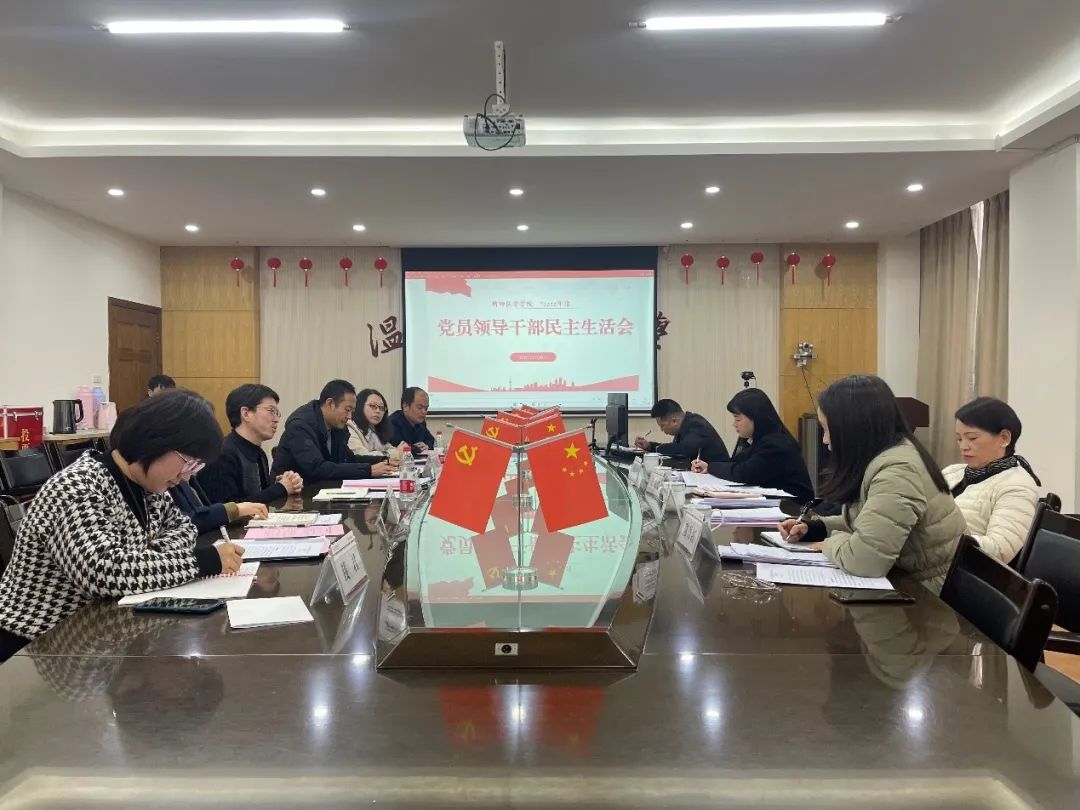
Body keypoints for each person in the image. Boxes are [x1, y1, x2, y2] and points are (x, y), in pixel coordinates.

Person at [0, 390, 245, 662]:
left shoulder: (147, 486)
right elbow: (104, 572)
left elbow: (184, 529)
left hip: (99, 632)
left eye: (196, 467)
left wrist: (140, 561)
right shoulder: (78, 487)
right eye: (188, 462)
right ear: (156, 442)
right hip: (37, 645)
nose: (187, 477)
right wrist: (203, 562)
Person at [778, 375, 965, 594]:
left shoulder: (897, 472)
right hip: (909, 582)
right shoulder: (888, 456)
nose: (825, 440)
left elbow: (864, 561)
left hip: (931, 597)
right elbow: (872, 521)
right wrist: (818, 528)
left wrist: (830, 542)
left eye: (827, 429)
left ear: (853, 429)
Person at [942, 397, 1041, 564]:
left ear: (1004, 438)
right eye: (959, 438)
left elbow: (999, 550)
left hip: (961, 571)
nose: (963, 446)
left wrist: (936, 541)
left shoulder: (1017, 486)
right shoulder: (952, 472)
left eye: (972, 438)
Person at [690, 388, 814, 500]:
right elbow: (736, 463)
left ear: (756, 418)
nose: (734, 424)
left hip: (794, 508)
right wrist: (708, 466)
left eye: (738, 419)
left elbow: (744, 473)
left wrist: (711, 468)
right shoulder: (760, 439)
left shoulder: (777, 444)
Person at [271, 379, 396, 483]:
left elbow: (347, 459)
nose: (350, 417)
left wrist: (382, 460)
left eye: (352, 411)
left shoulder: (337, 425)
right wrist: (369, 470)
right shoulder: (301, 425)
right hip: (291, 496)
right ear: (330, 403)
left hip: (323, 490)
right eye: (347, 410)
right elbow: (317, 468)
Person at [198, 384, 304, 505]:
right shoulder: (221, 454)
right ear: (246, 413)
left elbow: (258, 495)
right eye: (271, 411)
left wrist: (281, 484)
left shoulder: (259, 453)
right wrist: (281, 488)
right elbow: (228, 508)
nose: (276, 419)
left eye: (277, 413)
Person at [633, 399, 729, 461]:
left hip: (717, 479)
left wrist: (656, 448)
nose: (662, 430)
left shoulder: (697, 425)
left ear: (674, 421)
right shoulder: (685, 424)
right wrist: (650, 446)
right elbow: (675, 448)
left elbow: (683, 450)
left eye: (662, 426)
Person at [168, 476, 268, 534]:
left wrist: (234, 515)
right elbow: (180, 522)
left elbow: (203, 509)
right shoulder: (169, 480)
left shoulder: (185, 476)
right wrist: (231, 511)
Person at [348, 388, 409, 463]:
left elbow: (389, 448)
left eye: (381, 408)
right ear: (360, 406)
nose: (378, 411)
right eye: (373, 406)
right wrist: (395, 453)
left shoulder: (375, 430)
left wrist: (399, 450)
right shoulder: (350, 427)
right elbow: (362, 456)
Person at [389, 387, 435, 452]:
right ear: (405, 406)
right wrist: (419, 449)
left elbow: (431, 440)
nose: (424, 412)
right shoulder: (392, 423)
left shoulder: (421, 423)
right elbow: (402, 447)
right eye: (419, 408)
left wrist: (427, 446)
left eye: (426, 408)